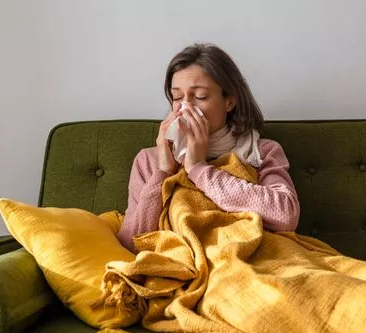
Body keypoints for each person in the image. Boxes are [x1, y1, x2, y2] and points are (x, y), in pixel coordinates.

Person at [117, 43, 300, 253]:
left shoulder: (261, 151)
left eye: (200, 96)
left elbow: (286, 215)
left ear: (229, 101)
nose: (185, 106)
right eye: (177, 97)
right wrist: (163, 171)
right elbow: (131, 243)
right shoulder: (149, 160)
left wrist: (198, 169)